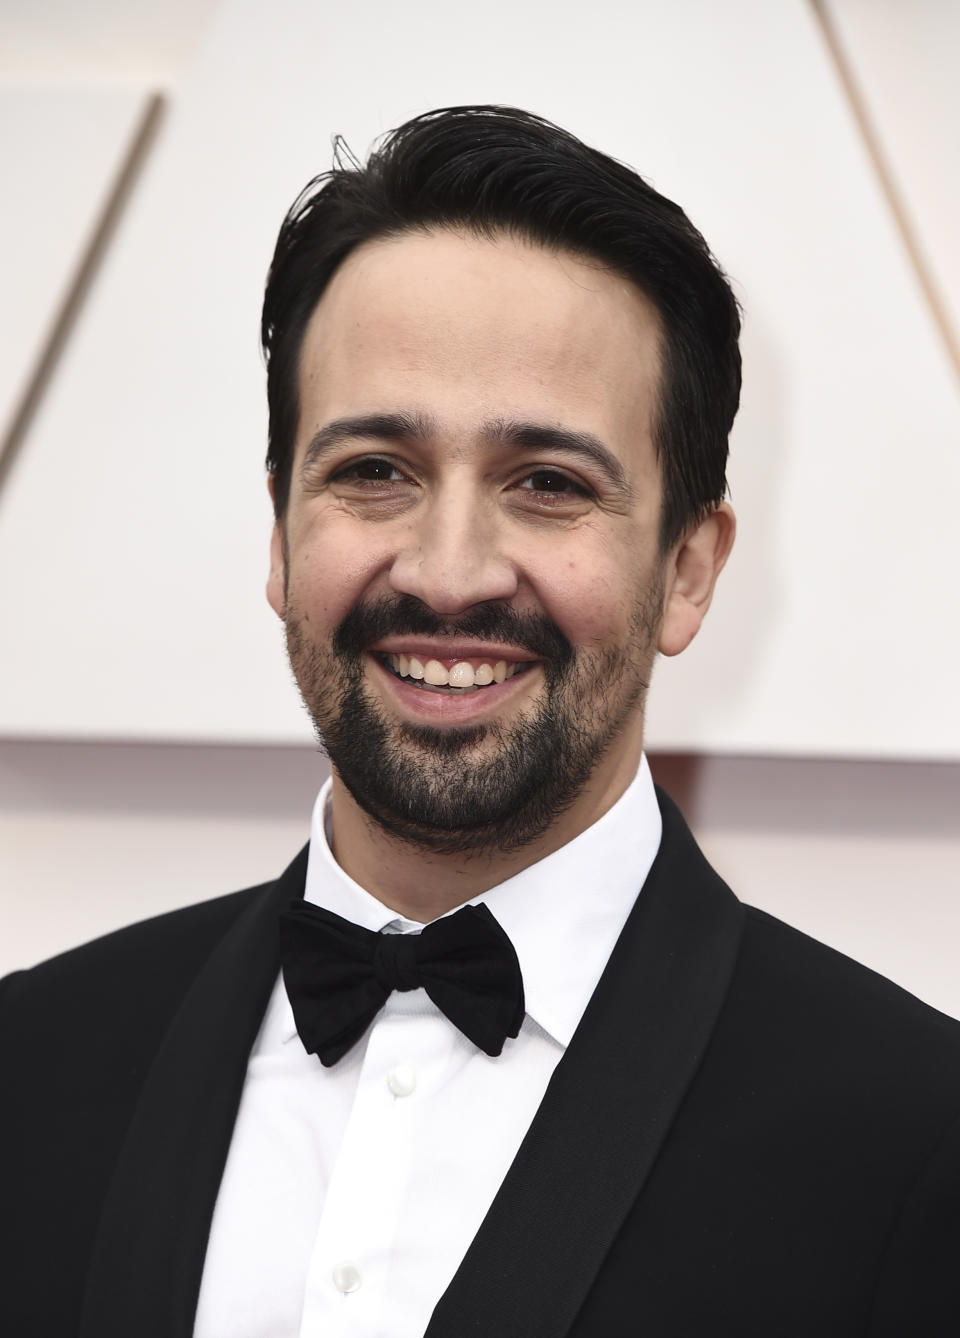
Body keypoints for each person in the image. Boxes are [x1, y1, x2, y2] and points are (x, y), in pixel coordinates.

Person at [2, 105, 958, 1338]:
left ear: (687, 571)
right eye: (373, 471)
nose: (450, 574)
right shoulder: (32, 1067)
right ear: (282, 535)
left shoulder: (915, 1139)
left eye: (549, 485)